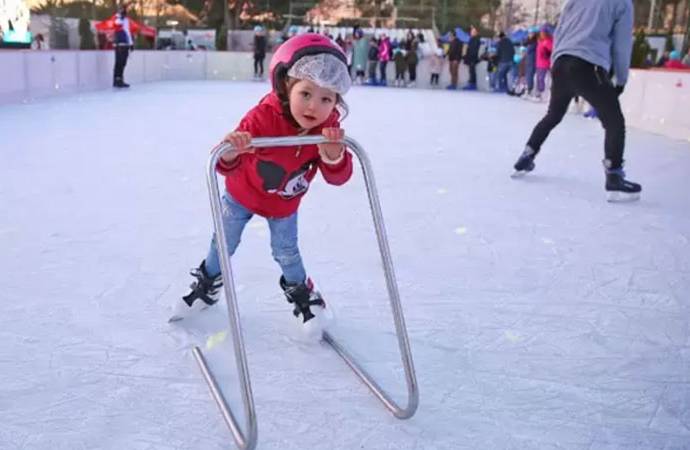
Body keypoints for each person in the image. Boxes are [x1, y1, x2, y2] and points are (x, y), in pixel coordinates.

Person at [171, 34, 354, 339]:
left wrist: (333, 156)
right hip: (241, 194)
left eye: (326, 98)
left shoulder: (328, 130)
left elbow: (338, 177)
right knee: (223, 242)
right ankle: (209, 283)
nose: (314, 106)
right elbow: (224, 162)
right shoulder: (262, 117)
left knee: (286, 252)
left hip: (283, 205)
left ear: (336, 101)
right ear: (286, 86)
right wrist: (232, 148)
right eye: (306, 93)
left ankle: (302, 293)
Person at [512, 0, 641, 202]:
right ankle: (614, 176)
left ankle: (526, 155)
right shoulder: (622, 3)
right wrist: (621, 79)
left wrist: (556, 62)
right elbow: (622, 43)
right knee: (614, 122)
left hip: (561, 63)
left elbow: (561, 31)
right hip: (589, 65)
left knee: (553, 115)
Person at [113, 4, 133, 88]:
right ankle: (117, 80)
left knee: (123, 63)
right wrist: (120, 16)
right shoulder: (117, 18)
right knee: (119, 62)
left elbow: (128, 32)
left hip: (125, 44)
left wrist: (131, 44)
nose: (125, 11)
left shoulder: (126, 20)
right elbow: (117, 24)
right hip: (119, 43)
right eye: (123, 9)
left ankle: (120, 79)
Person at [463, 26, 481, 90]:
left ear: (476, 33)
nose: (472, 33)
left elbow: (474, 50)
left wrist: (472, 57)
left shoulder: (476, 40)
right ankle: (471, 83)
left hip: (473, 58)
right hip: (470, 57)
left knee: (472, 71)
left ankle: (473, 84)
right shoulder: (471, 39)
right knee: (471, 71)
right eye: (471, 31)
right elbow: (469, 49)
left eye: (473, 32)